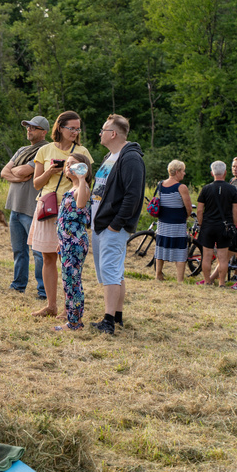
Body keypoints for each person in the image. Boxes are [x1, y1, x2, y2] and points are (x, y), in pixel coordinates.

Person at [30, 111, 94, 318]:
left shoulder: (82, 151)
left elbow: (87, 180)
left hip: (69, 212)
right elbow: (36, 183)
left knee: (67, 261)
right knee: (47, 258)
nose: (75, 132)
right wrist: (51, 171)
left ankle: (69, 308)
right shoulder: (45, 150)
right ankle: (51, 305)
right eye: (71, 128)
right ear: (60, 128)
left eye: (78, 128)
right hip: (47, 208)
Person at [90, 114, 146, 335]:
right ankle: (118, 316)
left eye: (103, 130)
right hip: (101, 224)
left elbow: (133, 196)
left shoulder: (130, 158)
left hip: (112, 226)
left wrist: (116, 224)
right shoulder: (110, 156)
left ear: (113, 133)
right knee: (114, 272)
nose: (100, 134)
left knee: (111, 272)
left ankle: (108, 321)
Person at [1, 116, 49, 299]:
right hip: (15, 207)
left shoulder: (45, 150)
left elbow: (22, 170)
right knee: (19, 250)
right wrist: (18, 178)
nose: (29, 130)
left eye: (34, 128)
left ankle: (43, 291)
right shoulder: (22, 150)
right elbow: (4, 172)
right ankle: (18, 285)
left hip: (32, 208)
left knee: (38, 252)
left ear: (43, 132)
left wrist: (17, 173)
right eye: (28, 127)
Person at [54, 154, 92, 331]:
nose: (68, 167)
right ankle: (72, 319)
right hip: (66, 242)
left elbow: (81, 203)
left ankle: (75, 322)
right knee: (67, 280)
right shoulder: (72, 187)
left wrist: (82, 178)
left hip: (75, 243)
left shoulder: (82, 188)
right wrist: (60, 241)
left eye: (73, 164)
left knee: (72, 281)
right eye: (67, 164)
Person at [196, 161, 237, 288]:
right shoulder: (232, 189)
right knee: (223, 257)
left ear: (211, 173)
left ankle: (207, 280)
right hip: (224, 226)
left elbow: (199, 209)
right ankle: (221, 282)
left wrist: (201, 223)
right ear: (225, 173)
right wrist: (233, 225)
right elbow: (235, 210)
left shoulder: (206, 189)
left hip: (208, 225)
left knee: (207, 256)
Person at [153, 160, 193, 282]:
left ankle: (158, 275)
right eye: (183, 171)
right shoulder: (181, 187)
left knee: (161, 247)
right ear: (177, 172)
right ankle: (180, 279)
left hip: (163, 223)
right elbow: (189, 208)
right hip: (177, 224)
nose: (184, 173)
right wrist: (186, 216)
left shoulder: (161, 184)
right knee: (180, 250)